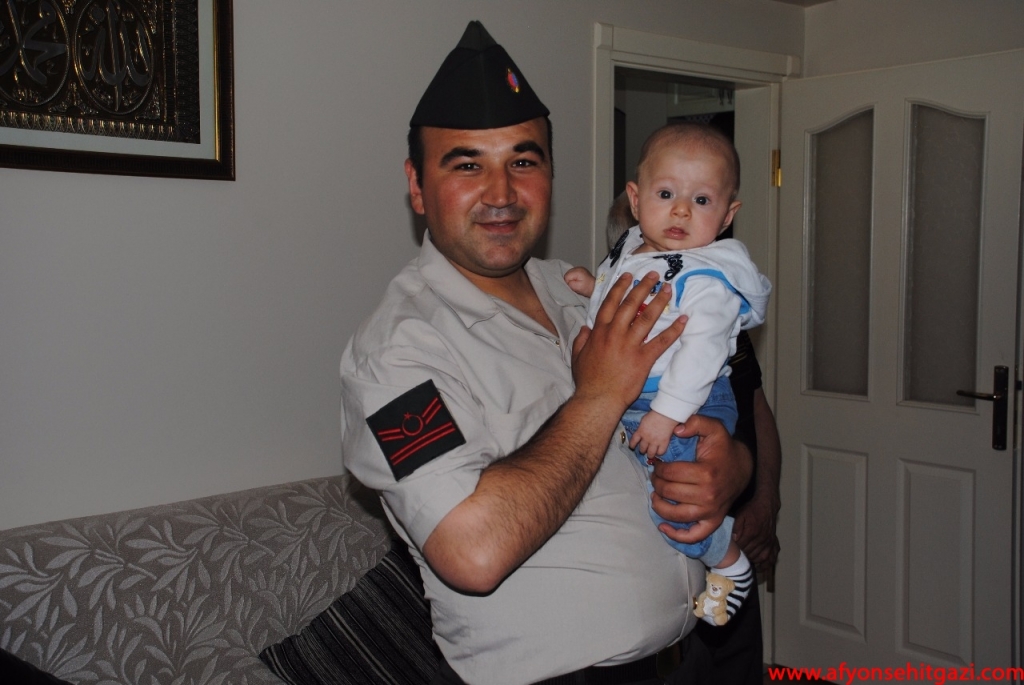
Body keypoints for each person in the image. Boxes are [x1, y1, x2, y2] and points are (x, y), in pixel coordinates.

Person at [339, 20, 753, 685]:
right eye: (467, 164)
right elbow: (472, 551)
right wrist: (599, 396)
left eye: (523, 161)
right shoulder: (397, 352)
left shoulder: (585, 289)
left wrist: (730, 466)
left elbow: (707, 393)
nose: (501, 192)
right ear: (416, 186)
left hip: (691, 657)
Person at [564, 123, 772, 625]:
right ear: (635, 201)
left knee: (674, 499)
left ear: (727, 215)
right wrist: (594, 286)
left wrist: (667, 414)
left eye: (701, 200)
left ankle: (729, 563)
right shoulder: (636, 248)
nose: (681, 211)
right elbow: (629, 295)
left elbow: (702, 352)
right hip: (641, 401)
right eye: (666, 194)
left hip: (686, 402)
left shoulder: (708, 278)